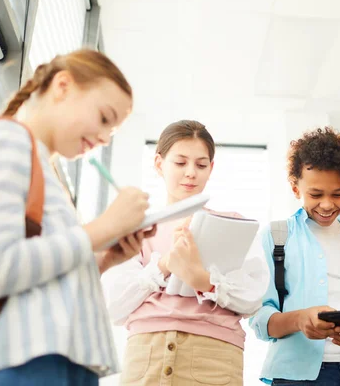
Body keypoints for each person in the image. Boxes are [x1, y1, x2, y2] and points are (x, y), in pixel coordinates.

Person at [0, 49, 153, 385]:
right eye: (103, 118)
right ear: (63, 86)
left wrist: (101, 260)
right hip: (26, 365)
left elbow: (36, 277)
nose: (103, 138)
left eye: (111, 132)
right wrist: (103, 228)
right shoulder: (8, 139)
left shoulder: (44, 168)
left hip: (51, 362)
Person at [104, 119, 269, 386]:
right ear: (159, 164)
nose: (191, 172)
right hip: (146, 353)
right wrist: (166, 264)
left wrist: (199, 278)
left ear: (211, 168)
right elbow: (114, 305)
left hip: (215, 356)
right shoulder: (135, 228)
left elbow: (252, 298)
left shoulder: (235, 225)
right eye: (180, 163)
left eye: (201, 165)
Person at [249, 127, 340, 386]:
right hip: (295, 377)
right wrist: (300, 320)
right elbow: (259, 320)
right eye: (315, 194)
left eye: (338, 194)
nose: (327, 204)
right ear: (295, 188)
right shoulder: (276, 237)